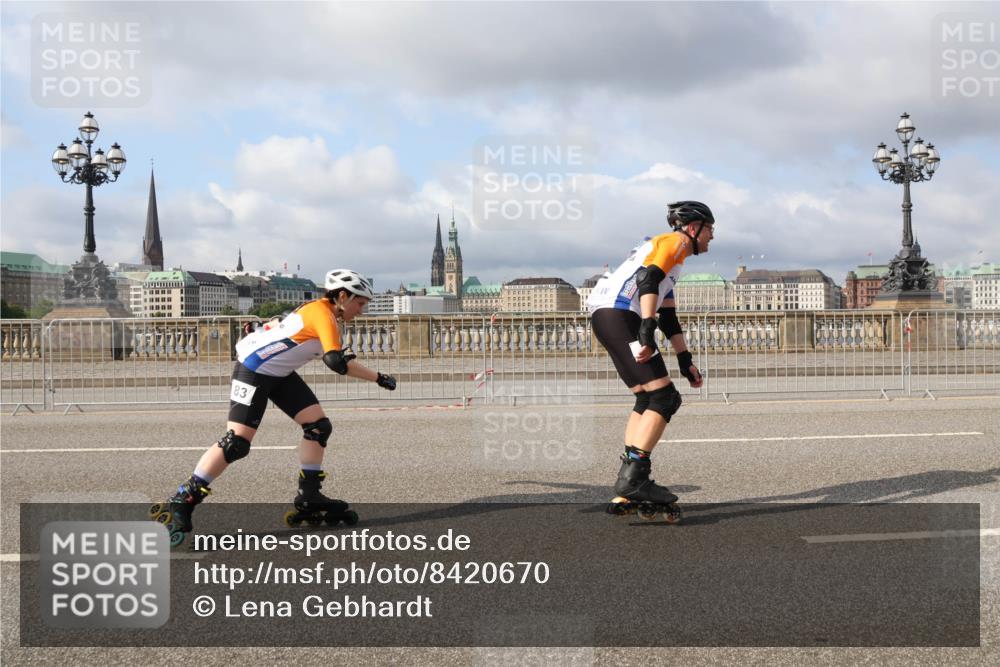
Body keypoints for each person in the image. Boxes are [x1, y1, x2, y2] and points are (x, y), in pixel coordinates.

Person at [150, 269, 397, 545]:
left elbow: (282, 326)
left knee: (318, 428)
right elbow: (336, 362)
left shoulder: (322, 312)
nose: (362, 311)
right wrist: (379, 377)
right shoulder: (322, 313)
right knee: (236, 443)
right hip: (254, 371)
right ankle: (183, 498)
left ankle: (310, 497)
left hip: (278, 373)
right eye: (360, 303)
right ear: (342, 296)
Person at [586, 201, 715, 522]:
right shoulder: (675, 242)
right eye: (710, 228)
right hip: (621, 315)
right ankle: (635, 480)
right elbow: (647, 280)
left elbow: (669, 316)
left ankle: (627, 482)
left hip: (606, 316)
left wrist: (685, 360)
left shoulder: (669, 255)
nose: (712, 236)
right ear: (693, 227)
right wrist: (646, 328)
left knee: (647, 397)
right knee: (664, 398)